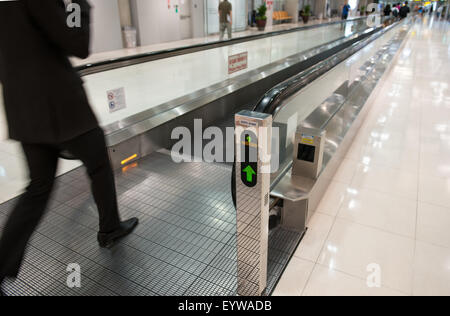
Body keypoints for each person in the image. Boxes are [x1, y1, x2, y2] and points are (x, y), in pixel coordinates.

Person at [0, 0, 139, 296]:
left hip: (23, 107)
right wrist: (81, 5)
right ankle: (110, 229)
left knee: (37, 189)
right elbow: (76, 43)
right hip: (61, 107)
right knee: (99, 163)